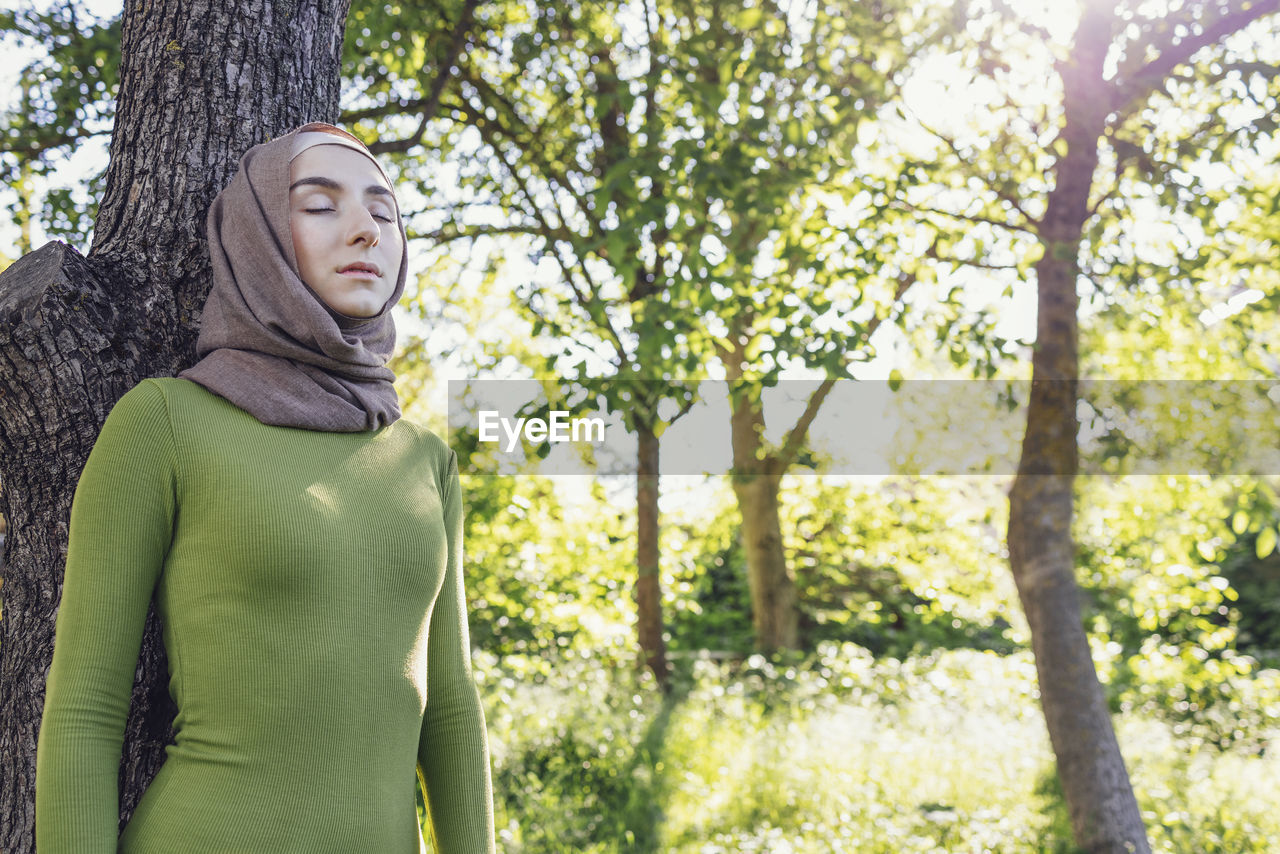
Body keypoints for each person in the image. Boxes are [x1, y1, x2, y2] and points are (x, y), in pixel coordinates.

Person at [35, 122, 496, 853]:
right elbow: (87, 708)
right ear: (256, 238)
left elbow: (447, 710)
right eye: (319, 205)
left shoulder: (424, 462)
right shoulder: (166, 422)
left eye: (384, 212)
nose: (365, 231)